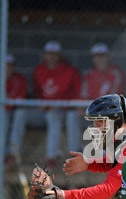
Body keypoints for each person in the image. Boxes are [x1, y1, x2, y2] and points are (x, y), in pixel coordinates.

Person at [29, 41, 82, 169]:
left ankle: (73, 156)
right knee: (50, 116)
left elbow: (76, 93)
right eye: (48, 54)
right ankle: (51, 158)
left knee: (69, 117)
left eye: (54, 54)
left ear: (60, 55)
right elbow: (36, 91)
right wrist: (41, 101)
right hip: (45, 110)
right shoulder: (39, 70)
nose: (51, 57)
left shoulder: (70, 71)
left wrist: (58, 103)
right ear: (44, 55)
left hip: (66, 109)